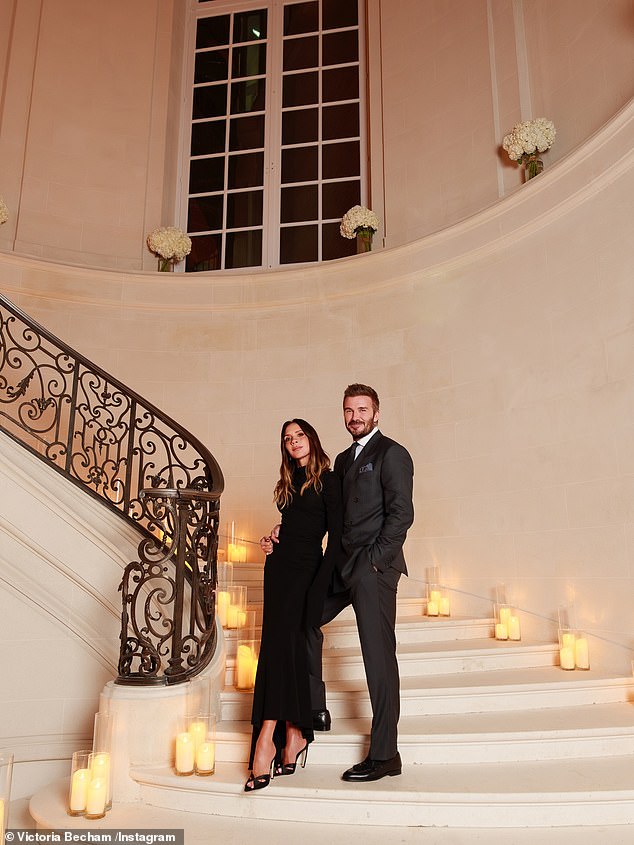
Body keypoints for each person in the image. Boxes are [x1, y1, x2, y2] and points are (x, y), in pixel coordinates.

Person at [269, 384, 414, 782]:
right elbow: (328, 514)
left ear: (377, 413)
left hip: (373, 570)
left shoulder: (392, 454)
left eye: (362, 410)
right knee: (305, 619)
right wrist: (284, 530)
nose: (355, 416)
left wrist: (372, 562)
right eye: (349, 410)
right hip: (340, 567)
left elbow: (401, 516)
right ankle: (315, 707)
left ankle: (386, 755)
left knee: (378, 659)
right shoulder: (345, 461)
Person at [245, 418, 342, 792]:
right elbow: (293, 524)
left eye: (299, 435)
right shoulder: (288, 484)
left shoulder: (329, 481)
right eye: (288, 439)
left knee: (284, 650)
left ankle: (266, 740)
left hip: (307, 574)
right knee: (274, 649)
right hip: (279, 569)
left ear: (311, 439)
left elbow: (334, 540)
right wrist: (273, 538)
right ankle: (293, 734)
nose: (294, 442)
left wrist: (322, 585)